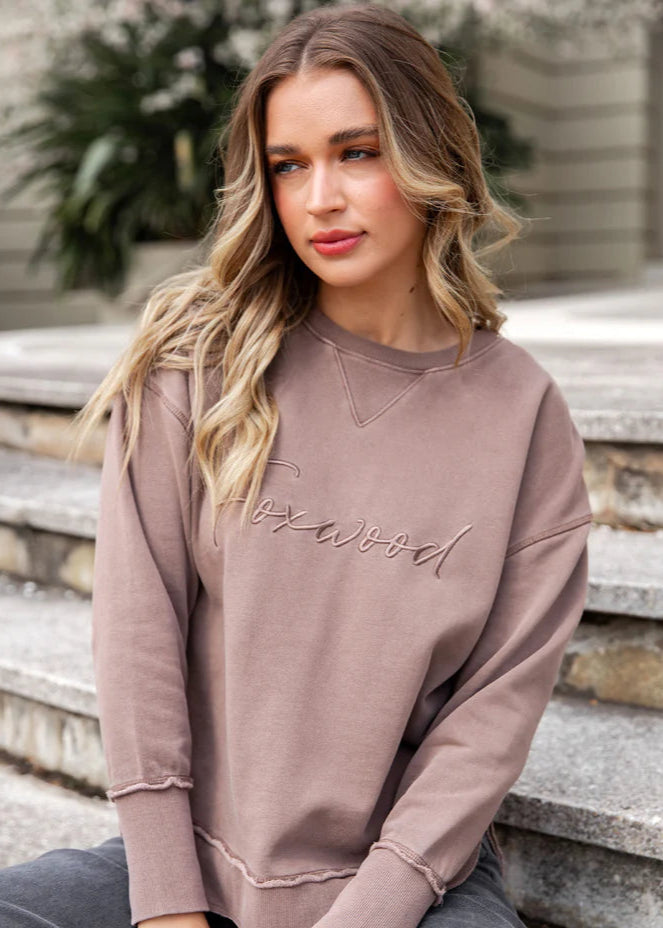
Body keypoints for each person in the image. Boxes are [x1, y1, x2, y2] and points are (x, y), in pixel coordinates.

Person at [0, 4, 593, 928]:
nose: (320, 197)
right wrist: (167, 904)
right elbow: (138, 635)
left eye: (357, 153)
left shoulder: (523, 416)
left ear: (428, 157)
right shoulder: (197, 367)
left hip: (402, 888)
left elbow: (492, 712)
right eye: (289, 165)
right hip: (195, 863)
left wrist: (370, 911)